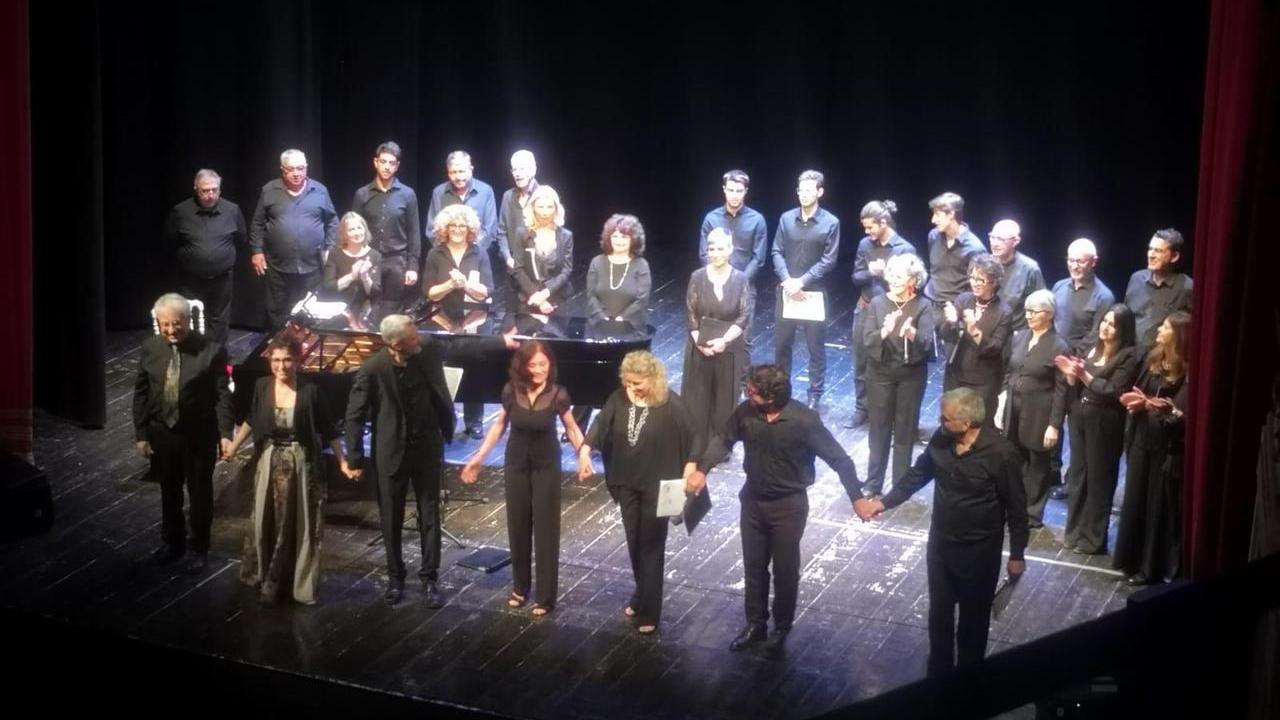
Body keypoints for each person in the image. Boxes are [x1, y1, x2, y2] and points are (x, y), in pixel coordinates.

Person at [689, 365, 869, 658]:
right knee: (754, 567)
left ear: (772, 397)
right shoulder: (747, 412)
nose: (748, 394)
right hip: (753, 501)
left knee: (785, 571)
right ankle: (755, 624)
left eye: (753, 391)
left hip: (789, 505)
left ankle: (781, 628)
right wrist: (703, 469)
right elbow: (723, 438)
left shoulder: (804, 421)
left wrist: (857, 498)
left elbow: (840, 460)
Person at [856, 388, 1028, 676]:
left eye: (946, 419)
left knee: (973, 623)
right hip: (941, 547)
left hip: (979, 553)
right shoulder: (942, 438)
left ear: (968, 423)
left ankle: (969, 685)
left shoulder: (1001, 454)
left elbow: (1017, 509)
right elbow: (918, 474)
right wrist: (883, 503)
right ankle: (938, 679)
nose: (940, 422)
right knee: (940, 617)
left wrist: (1017, 555)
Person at [576, 351, 699, 635]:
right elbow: (600, 424)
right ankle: (642, 593)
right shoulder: (620, 397)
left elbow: (695, 436)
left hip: (659, 485)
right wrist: (585, 451)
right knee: (634, 542)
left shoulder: (670, 403)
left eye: (637, 383)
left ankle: (650, 611)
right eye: (628, 382)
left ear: (652, 378)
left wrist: (689, 470)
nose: (631, 388)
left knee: (652, 546)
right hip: (626, 481)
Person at [460, 341, 585, 616]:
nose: (539, 369)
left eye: (544, 364)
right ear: (523, 366)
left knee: (545, 528)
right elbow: (499, 425)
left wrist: (583, 455)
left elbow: (573, 429)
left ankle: (545, 597)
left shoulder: (558, 394)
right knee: (517, 525)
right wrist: (479, 457)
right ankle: (520, 587)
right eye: (533, 365)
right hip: (516, 463)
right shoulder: (510, 391)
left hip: (546, 465)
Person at [223, 337, 347, 605]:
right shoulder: (262, 385)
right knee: (265, 520)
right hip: (269, 460)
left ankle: (295, 582)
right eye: (276, 360)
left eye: (288, 360)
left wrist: (342, 461)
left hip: (300, 463)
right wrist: (233, 446)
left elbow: (330, 430)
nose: (281, 366)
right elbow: (253, 419)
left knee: (298, 522)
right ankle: (264, 573)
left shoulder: (311, 391)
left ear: (299, 360)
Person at [343, 314, 456, 607]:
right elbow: (353, 416)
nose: (418, 339)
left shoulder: (426, 349)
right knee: (390, 517)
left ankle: (430, 578)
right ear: (395, 344)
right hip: (392, 452)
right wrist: (353, 458)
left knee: (430, 514)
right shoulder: (372, 369)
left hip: (427, 448)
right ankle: (396, 577)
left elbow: (460, 348)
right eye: (411, 337)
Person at [132, 293, 234, 574]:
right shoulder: (151, 348)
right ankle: (171, 543)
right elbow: (141, 393)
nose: (170, 330)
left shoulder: (211, 351)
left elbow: (222, 395)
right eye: (165, 325)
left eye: (176, 324)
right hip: (163, 433)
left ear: (187, 320)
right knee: (169, 490)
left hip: (198, 434)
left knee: (200, 493)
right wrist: (141, 434)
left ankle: (198, 547)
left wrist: (226, 433)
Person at [1056, 304, 1141, 554]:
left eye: (1112, 324)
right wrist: (1071, 375)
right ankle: (1073, 533)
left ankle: (1092, 539)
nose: (1105, 327)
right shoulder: (1093, 348)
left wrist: (1084, 375)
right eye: (1104, 321)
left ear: (1123, 329)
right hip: (1080, 417)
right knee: (1078, 475)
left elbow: (1114, 390)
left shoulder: (1129, 355)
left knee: (1099, 478)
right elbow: (1078, 383)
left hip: (1104, 422)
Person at [1114, 311, 1190, 584]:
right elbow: (1142, 392)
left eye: (1166, 326)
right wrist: (1137, 403)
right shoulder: (1153, 359)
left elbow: (1183, 414)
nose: (1159, 329)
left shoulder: (1188, 371)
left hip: (1165, 447)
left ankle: (1150, 567)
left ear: (1178, 335)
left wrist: (1163, 409)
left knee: (1156, 506)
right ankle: (1129, 560)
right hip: (1142, 438)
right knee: (1135, 500)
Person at [862, 254, 935, 496]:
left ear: (913, 280)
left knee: (905, 429)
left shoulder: (923, 305)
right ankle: (873, 482)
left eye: (899, 276)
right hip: (880, 374)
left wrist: (911, 332)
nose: (892, 280)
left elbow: (927, 345)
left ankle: (901, 484)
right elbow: (867, 340)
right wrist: (885, 330)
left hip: (910, 376)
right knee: (879, 428)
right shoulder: (877, 303)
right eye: (890, 275)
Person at [1049, 238, 1115, 500]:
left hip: (1078, 368)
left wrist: (1071, 363)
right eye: (1071, 260)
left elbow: (1096, 338)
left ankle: (1071, 481)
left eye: (1081, 261)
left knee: (1074, 425)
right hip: (1054, 363)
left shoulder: (1103, 296)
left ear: (1093, 262)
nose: (1075, 265)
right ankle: (1050, 473)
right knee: (1052, 419)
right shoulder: (1059, 286)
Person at [423, 204, 494, 440]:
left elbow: (486, 291)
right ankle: (445, 420)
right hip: (441, 320)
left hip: (473, 320)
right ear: (445, 228)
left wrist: (466, 285)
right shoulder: (436, 253)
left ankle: (474, 422)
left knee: (475, 370)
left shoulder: (479, 253)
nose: (457, 229)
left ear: (470, 229)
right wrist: (449, 285)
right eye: (453, 225)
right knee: (442, 374)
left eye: (462, 226)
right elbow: (429, 292)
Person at [1000, 289, 1069, 528]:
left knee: (1037, 465)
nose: (1028, 315)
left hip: (1039, 413)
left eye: (1034, 311)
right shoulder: (1020, 337)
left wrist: (1054, 425)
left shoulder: (1059, 346)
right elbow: (1010, 369)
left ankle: (1032, 513)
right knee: (1015, 460)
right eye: (1027, 310)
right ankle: (1015, 506)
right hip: (1015, 409)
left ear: (1049, 314)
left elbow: (1062, 390)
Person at [772, 169, 840, 409]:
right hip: (787, 290)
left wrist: (801, 282)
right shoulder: (786, 218)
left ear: (820, 192)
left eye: (809, 190)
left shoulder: (831, 222)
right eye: (801, 189)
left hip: (813, 292)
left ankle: (814, 393)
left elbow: (829, 260)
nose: (804, 194)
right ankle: (780, 389)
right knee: (782, 344)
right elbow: (777, 251)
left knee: (815, 347)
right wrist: (788, 280)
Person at [249, 149, 339, 330]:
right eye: (291, 169)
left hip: (312, 265)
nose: (297, 173)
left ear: (306, 168)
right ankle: (280, 350)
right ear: (283, 170)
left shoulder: (320, 191)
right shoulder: (269, 190)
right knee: (278, 310)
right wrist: (257, 251)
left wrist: (330, 246)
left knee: (310, 309)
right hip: (278, 265)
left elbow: (332, 221)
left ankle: (307, 350)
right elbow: (257, 224)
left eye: (300, 168)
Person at [682, 228, 754, 455]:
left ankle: (720, 447)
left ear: (731, 250)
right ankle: (696, 446)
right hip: (700, 346)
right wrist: (700, 342)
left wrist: (723, 341)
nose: (715, 253)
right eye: (711, 248)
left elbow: (743, 316)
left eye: (721, 248)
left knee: (725, 400)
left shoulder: (741, 279)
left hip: (729, 347)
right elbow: (691, 314)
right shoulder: (697, 277)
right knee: (698, 399)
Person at [847, 199, 915, 428]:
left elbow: (913, 286)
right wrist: (870, 272)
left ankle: (889, 413)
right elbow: (855, 277)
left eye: (870, 227)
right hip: (866, 307)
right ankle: (861, 408)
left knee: (888, 363)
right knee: (860, 359)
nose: (867, 232)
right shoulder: (865, 245)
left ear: (883, 222)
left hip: (891, 312)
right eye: (865, 228)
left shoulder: (904, 249)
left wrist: (886, 273)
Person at [162, 168, 246, 346]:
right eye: (205, 190)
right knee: (190, 319)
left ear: (220, 190)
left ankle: (217, 359)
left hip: (222, 278)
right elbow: (170, 241)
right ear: (196, 188)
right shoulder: (180, 211)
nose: (210, 195)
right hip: (191, 280)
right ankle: (193, 359)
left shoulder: (232, 210)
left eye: (214, 190)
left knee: (220, 321)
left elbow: (241, 239)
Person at [940, 253, 1013, 423]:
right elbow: (946, 335)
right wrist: (950, 322)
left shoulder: (1003, 311)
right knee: (951, 422)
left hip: (983, 382)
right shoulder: (964, 299)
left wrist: (974, 330)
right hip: (956, 375)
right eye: (973, 278)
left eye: (980, 280)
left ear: (994, 282)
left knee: (976, 426)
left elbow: (995, 349)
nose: (974, 283)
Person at [351, 141, 420, 319]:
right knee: (367, 308)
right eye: (383, 162)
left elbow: (414, 232)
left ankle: (390, 347)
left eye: (391, 163)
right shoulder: (362, 194)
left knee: (393, 312)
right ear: (375, 162)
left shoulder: (407, 194)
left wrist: (412, 266)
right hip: (369, 260)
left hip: (397, 261)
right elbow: (353, 229)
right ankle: (370, 347)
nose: (387, 167)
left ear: (397, 166)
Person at [922, 192, 986, 363]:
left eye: (937, 214)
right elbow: (935, 270)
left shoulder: (974, 248)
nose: (933, 220)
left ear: (951, 214)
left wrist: (960, 312)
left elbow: (977, 287)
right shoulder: (933, 236)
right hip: (930, 305)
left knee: (954, 363)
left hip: (953, 311)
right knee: (918, 356)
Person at [1124, 228, 1193, 352]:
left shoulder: (1187, 287)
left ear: (1174, 256)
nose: (1151, 255)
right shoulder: (1136, 279)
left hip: (1161, 360)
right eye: (1150, 249)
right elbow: (1125, 319)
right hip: (1131, 356)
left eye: (1158, 251)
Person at [511, 185, 574, 315]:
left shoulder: (566, 236)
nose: (545, 212)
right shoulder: (522, 234)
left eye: (549, 207)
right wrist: (537, 297)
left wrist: (546, 293)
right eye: (540, 207)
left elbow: (566, 270)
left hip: (558, 298)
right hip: (529, 298)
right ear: (532, 207)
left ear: (556, 209)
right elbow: (518, 269)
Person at [585, 213, 651, 335]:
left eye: (624, 237)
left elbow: (642, 300)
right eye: (615, 236)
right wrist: (603, 318)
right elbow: (591, 296)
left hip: (631, 329)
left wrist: (621, 320)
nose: (618, 241)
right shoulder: (597, 262)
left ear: (633, 239)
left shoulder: (641, 265)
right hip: (599, 327)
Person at [424, 150, 498, 257]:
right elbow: (432, 230)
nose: (458, 177)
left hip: (477, 257)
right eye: (453, 172)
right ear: (448, 172)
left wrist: (471, 252)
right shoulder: (439, 192)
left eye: (462, 171)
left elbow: (490, 230)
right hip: (447, 257)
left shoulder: (486, 191)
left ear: (471, 170)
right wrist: (449, 252)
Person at [698, 169, 768, 281]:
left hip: (744, 285)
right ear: (724, 189)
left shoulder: (757, 220)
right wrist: (717, 278)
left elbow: (758, 259)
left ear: (746, 191)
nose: (734, 195)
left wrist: (739, 282)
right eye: (730, 190)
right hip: (715, 283)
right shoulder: (711, 219)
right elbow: (704, 254)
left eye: (739, 191)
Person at [321, 212, 383, 330]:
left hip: (364, 315)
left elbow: (376, 294)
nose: (357, 233)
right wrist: (352, 276)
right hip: (338, 312)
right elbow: (328, 287)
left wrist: (365, 277)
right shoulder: (334, 254)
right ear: (344, 234)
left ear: (365, 229)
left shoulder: (375, 255)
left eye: (360, 228)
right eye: (351, 229)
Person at [987, 219, 1045, 332]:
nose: (994, 243)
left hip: (1015, 337)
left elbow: (1040, 306)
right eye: (992, 237)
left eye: (1001, 239)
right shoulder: (985, 263)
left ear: (1015, 241)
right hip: (987, 333)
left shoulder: (1030, 268)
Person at [496, 149, 540, 275]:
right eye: (515, 170)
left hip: (540, 266)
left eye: (522, 169)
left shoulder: (544, 195)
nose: (518, 174)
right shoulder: (507, 196)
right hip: (513, 266)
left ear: (533, 170)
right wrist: (507, 258)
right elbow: (501, 232)